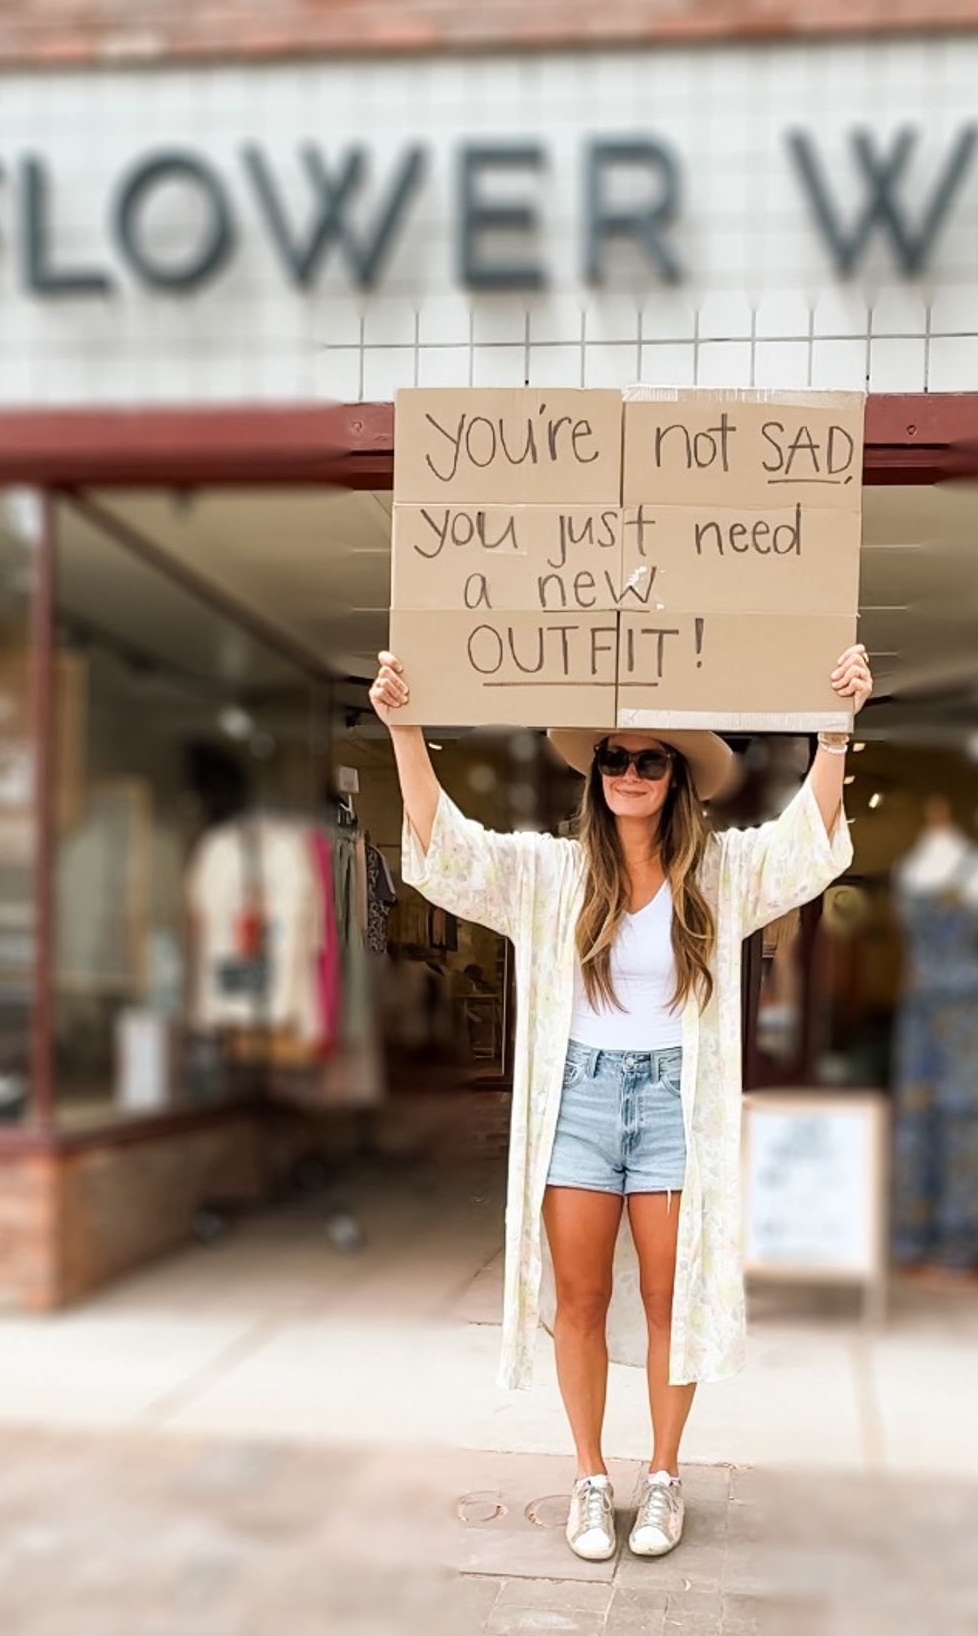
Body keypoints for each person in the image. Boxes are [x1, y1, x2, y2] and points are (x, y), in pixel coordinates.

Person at [369, 644, 873, 1563]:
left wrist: (834, 730)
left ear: (675, 778)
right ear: (595, 772)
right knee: (583, 1297)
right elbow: (451, 848)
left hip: (677, 1105)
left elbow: (807, 844)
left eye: (648, 760)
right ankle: (592, 1478)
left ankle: (666, 1477)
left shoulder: (717, 873)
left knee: (670, 1296)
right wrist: (405, 728)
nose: (628, 773)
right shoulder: (555, 875)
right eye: (614, 757)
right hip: (582, 1098)